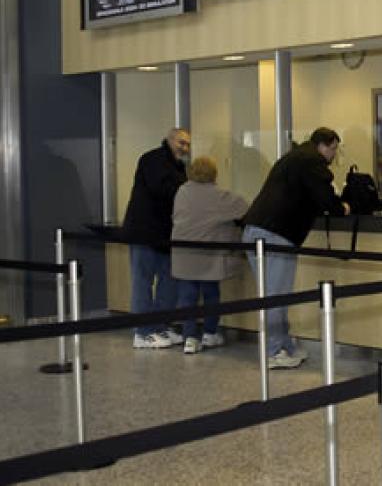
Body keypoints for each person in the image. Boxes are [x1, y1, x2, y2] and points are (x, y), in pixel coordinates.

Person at [242, 127, 350, 369]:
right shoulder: (312, 161)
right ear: (326, 145)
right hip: (277, 234)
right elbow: (325, 197)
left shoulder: (293, 157)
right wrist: (341, 207)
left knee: (272, 294)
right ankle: (274, 351)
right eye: (334, 149)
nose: (333, 156)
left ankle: (284, 345)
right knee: (276, 295)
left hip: (256, 230)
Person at [171, 156, 248, 354]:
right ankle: (209, 333)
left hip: (183, 254)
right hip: (208, 256)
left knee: (187, 297)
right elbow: (244, 207)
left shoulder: (182, 191)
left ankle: (189, 338)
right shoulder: (218, 195)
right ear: (213, 174)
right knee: (210, 294)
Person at [122, 127, 190, 349]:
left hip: (165, 234)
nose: (185, 148)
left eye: (187, 144)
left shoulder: (177, 166)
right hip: (145, 231)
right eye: (181, 142)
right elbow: (164, 190)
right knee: (143, 282)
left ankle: (160, 325)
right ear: (169, 140)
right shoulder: (154, 159)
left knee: (169, 282)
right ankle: (142, 332)